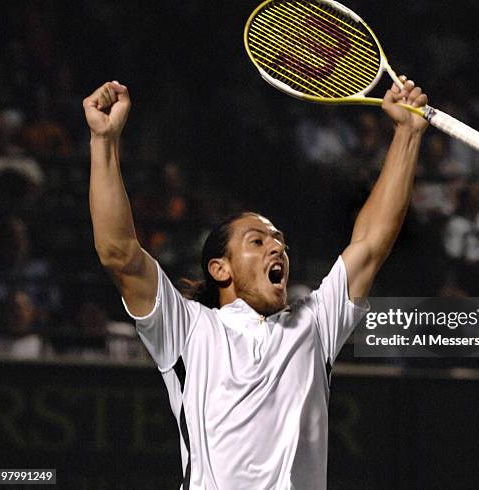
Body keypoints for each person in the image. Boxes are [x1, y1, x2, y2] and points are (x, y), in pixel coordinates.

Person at [83, 78, 428, 489]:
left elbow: (371, 243)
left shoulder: (314, 325)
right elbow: (119, 254)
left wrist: (406, 134)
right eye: (258, 241)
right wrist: (103, 141)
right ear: (220, 269)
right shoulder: (189, 330)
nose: (276, 249)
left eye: (280, 242)